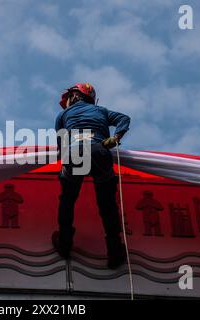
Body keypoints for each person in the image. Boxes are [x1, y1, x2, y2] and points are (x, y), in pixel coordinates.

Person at [52, 83, 131, 269]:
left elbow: (61, 146)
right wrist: (116, 137)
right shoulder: (101, 111)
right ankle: (114, 251)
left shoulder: (62, 115)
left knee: (68, 200)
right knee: (107, 205)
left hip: (75, 154)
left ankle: (65, 244)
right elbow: (124, 118)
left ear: (74, 96)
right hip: (99, 151)